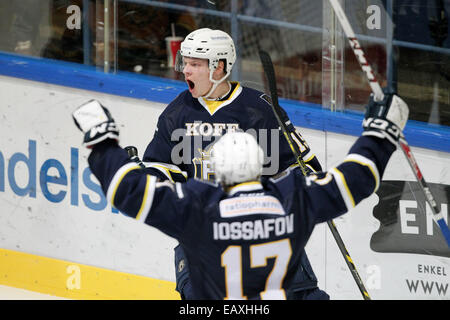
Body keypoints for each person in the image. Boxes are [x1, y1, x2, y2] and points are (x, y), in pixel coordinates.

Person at [71, 89, 409, 299]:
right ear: (260, 163)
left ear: (215, 171)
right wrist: (381, 134)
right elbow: (357, 178)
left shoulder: (196, 208)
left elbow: (126, 189)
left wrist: (102, 143)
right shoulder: (294, 198)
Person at [140, 28, 327, 300]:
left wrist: (299, 188)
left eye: (195, 64)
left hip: (263, 232)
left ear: (219, 68)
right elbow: (161, 169)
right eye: (185, 62)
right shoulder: (176, 114)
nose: (185, 71)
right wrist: (150, 180)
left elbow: (306, 169)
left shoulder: (259, 111)